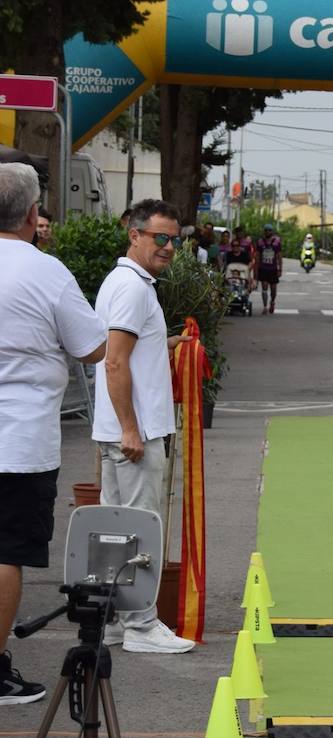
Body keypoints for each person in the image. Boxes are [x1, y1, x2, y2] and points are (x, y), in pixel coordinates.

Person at [0, 164, 108, 704]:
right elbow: (92, 346)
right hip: (18, 440)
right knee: (6, 552)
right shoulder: (45, 271)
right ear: (32, 214)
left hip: (19, 436)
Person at [88, 199, 194, 653]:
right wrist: (132, 429)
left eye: (175, 239)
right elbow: (115, 361)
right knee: (139, 528)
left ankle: (113, 618)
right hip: (134, 432)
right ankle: (141, 625)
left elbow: (124, 348)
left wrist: (168, 340)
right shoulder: (133, 287)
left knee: (115, 527)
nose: (169, 247)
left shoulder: (125, 281)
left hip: (119, 428)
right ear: (134, 236)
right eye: (160, 238)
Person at [255, 224, 283, 312]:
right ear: (264, 232)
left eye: (269, 230)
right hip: (263, 268)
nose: (268, 232)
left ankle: (272, 301)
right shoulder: (260, 242)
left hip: (273, 268)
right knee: (264, 287)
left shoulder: (276, 242)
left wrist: (280, 269)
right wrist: (256, 269)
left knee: (273, 288)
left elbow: (279, 256)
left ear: (272, 232)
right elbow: (258, 256)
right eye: (266, 230)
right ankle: (265, 306)